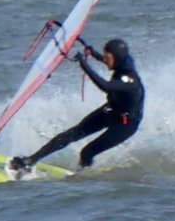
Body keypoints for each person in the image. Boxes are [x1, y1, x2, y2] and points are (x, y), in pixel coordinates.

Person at [10, 37, 144, 173]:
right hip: (111, 110)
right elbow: (109, 62)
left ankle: (81, 176)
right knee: (71, 134)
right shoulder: (123, 61)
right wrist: (93, 54)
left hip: (125, 124)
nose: (105, 59)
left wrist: (84, 64)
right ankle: (30, 161)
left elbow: (106, 86)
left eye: (107, 57)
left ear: (117, 58)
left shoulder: (130, 81)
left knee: (87, 152)